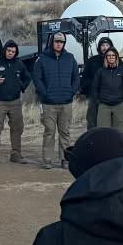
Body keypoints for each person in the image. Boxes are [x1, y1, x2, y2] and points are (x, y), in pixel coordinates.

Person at [32, 32, 80, 170]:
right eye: (57, 41)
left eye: (61, 42)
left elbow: (76, 77)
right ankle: (47, 160)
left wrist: (72, 91)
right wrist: (45, 94)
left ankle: (65, 160)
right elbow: (37, 78)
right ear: (52, 42)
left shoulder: (70, 58)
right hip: (49, 104)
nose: (59, 44)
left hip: (66, 102)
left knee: (65, 132)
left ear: (64, 44)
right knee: (49, 131)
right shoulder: (42, 59)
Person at [0, 39, 31, 165]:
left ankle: (16, 155)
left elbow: (27, 77)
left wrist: (21, 87)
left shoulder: (19, 64)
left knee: (17, 129)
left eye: (13, 51)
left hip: (15, 102)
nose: (10, 53)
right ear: (4, 50)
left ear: (16, 53)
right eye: (9, 51)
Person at [79, 37, 119, 133]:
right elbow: (84, 79)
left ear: (111, 47)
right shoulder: (92, 61)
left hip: (111, 99)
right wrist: (93, 86)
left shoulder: (116, 61)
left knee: (110, 126)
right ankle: (93, 145)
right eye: (102, 45)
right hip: (95, 99)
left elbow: (122, 79)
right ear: (99, 47)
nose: (105, 47)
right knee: (93, 124)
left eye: (107, 45)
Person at [87, 48, 123, 132]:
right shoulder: (100, 71)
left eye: (113, 55)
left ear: (116, 57)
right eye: (109, 55)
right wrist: (98, 101)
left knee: (119, 132)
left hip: (119, 105)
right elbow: (95, 88)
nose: (111, 57)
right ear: (106, 58)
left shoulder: (122, 70)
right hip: (104, 106)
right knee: (103, 132)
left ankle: (117, 146)